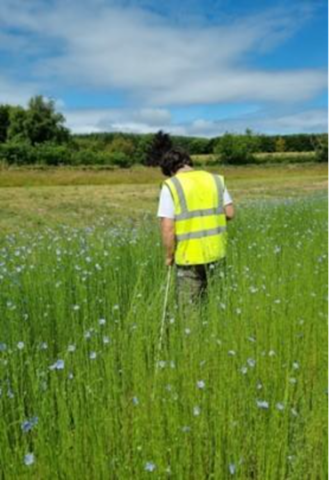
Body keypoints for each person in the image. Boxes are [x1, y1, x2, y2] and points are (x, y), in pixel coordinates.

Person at [157, 148, 235, 304]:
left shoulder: (171, 185)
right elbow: (230, 213)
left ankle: (192, 329)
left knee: (189, 306)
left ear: (171, 169)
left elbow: (168, 227)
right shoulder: (216, 180)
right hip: (216, 252)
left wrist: (169, 256)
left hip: (188, 257)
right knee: (215, 302)